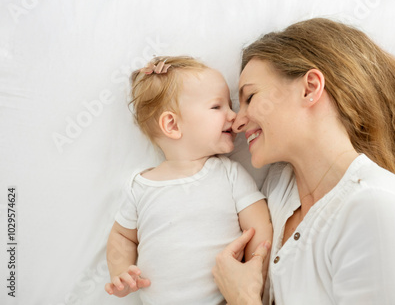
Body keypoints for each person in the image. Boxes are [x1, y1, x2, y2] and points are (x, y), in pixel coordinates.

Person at [212, 18, 395, 304]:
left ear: (310, 88)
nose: (237, 121)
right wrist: (167, 85)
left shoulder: (377, 209)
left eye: (250, 97)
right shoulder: (281, 190)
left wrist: (243, 299)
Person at [105, 56, 273, 305]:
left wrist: (251, 275)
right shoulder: (141, 186)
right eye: (217, 107)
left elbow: (259, 227)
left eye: (230, 105)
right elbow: (122, 236)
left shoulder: (229, 174)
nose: (233, 115)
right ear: (172, 124)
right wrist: (120, 272)